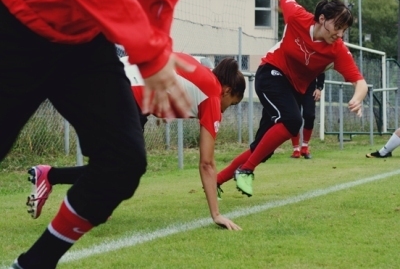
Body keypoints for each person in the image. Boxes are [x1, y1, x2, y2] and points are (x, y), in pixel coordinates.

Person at [0, 0, 199, 268]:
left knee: (124, 161)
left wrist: (158, 44)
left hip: (84, 41)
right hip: (17, 15)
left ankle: (34, 264)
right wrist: (147, 50)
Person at [26, 53, 245, 230]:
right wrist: (216, 214)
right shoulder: (213, 95)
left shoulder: (204, 72)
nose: (226, 109)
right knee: (124, 166)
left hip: (117, 82)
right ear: (227, 90)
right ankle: (50, 176)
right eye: (232, 103)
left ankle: (94, 195)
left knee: (120, 166)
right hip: (125, 93)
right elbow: (207, 163)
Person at [216, 0, 368, 198]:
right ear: (322, 19)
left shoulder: (337, 50)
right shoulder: (298, 16)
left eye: (344, 30)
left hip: (293, 90)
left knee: (261, 148)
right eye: (337, 26)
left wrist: (358, 97)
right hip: (270, 73)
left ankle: (215, 180)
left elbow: (360, 82)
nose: (340, 34)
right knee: (293, 120)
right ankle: (246, 170)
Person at [290, 73, 325, 159]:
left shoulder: (314, 59)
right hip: (293, 88)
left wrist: (319, 88)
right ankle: (296, 149)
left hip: (310, 89)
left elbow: (320, 69)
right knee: (293, 118)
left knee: (310, 115)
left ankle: (305, 147)